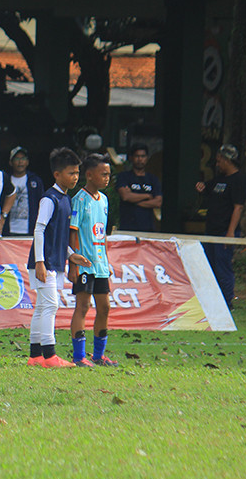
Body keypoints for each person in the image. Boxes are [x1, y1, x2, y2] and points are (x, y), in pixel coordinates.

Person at [27, 147, 91, 368]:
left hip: (53, 261)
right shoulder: (50, 199)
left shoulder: (66, 199)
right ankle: (49, 355)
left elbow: (59, 237)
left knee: (42, 307)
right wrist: (40, 262)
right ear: (57, 174)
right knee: (51, 306)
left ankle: (35, 356)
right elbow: (39, 230)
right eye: (71, 173)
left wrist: (73, 256)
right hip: (44, 263)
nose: (75, 177)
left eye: (77, 173)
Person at [68, 154, 118, 368]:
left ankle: (99, 355)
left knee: (104, 307)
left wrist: (106, 261)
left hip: (100, 265)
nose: (107, 178)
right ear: (89, 175)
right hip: (85, 264)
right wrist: (73, 263)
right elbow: (73, 232)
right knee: (83, 305)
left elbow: (101, 234)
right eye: (103, 174)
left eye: (109, 174)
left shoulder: (104, 200)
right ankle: (79, 357)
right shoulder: (79, 199)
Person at [195, 144, 246, 308]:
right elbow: (208, 188)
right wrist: (201, 187)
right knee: (209, 266)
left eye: (219, 161)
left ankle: (226, 300)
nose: (217, 164)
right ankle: (211, 299)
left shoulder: (238, 180)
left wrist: (230, 233)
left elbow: (238, 207)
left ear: (227, 160)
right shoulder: (219, 180)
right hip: (211, 230)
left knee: (223, 266)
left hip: (225, 231)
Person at [116, 143, 163, 232]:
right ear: (131, 158)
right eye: (137, 156)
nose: (140, 159)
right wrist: (148, 196)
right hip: (127, 227)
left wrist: (135, 202)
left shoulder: (153, 179)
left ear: (147, 158)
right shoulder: (124, 176)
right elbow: (126, 196)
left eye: (143, 156)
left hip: (147, 228)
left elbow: (158, 202)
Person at [3, 146, 44, 237]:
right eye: (17, 158)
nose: (20, 162)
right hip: (9, 230)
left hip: (30, 230)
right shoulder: (5, 180)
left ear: (27, 162)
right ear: (10, 162)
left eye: (23, 158)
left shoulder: (35, 181)